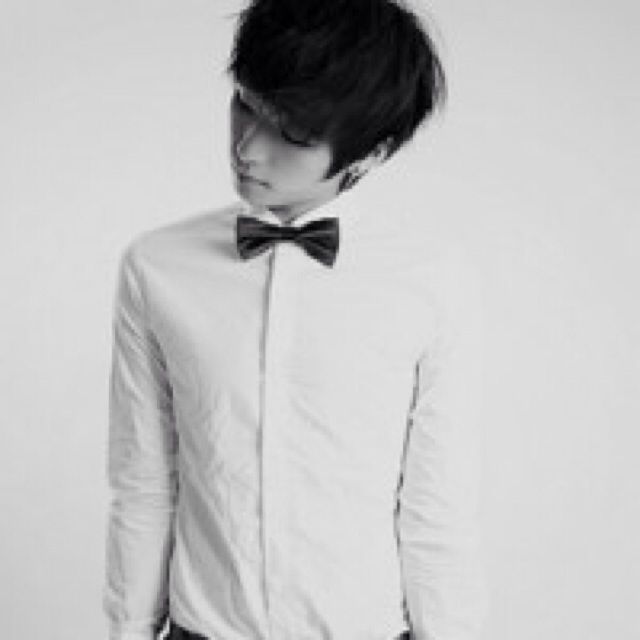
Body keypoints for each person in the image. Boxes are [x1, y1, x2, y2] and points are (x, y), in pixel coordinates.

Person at [103, 1, 488, 639]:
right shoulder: (157, 267)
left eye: (293, 135)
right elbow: (144, 482)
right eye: (245, 105)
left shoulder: (431, 281)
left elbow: (436, 509)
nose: (247, 147)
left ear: (372, 152)